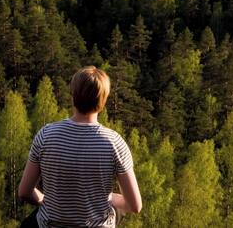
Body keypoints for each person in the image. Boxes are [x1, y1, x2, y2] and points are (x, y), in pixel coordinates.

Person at [18, 66, 142, 227]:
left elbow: (24, 192)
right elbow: (135, 206)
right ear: (103, 101)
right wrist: (109, 198)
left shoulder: (45, 135)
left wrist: (44, 200)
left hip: (49, 224)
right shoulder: (114, 143)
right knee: (116, 211)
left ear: (73, 96)